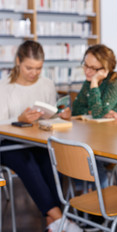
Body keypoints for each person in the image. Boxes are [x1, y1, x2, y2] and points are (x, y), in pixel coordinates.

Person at [0, 40, 81, 231]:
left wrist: (60, 115)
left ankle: (53, 223)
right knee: (26, 160)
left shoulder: (47, 84)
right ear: (18, 61)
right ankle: (59, 218)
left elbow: (51, 115)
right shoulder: (4, 87)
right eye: (29, 67)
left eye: (38, 68)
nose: (34, 73)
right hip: (8, 145)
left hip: (37, 141)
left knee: (51, 159)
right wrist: (18, 118)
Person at [60, 44, 117, 188]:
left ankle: (100, 196)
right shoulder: (88, 80)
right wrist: (95, 109)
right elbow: (78, 109)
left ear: (106, 69)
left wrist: (93, 83)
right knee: (77, 151)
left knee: (89, 156)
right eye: (85, 65)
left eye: (94, 68)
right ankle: (87, 194)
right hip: (101, 132)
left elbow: (97, 113)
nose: (87, 71)